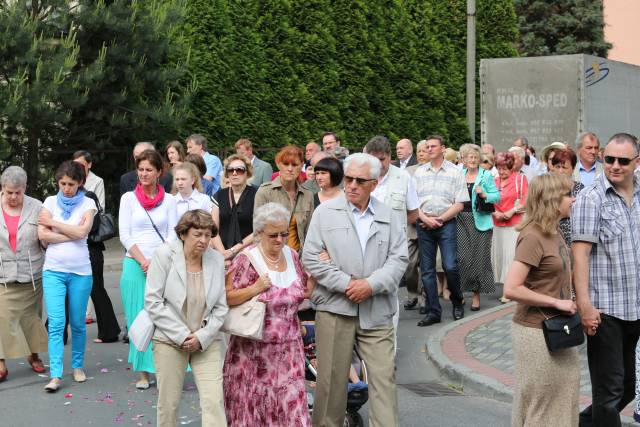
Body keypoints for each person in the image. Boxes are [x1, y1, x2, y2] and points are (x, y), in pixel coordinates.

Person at [302, 153, 407, 426]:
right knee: (331, 386)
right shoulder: (324, 212)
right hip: (336, 308)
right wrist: (347, 284)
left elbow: (399, 260)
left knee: (384, 381)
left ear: (374, 183)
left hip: (377, 309)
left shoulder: (388, 215)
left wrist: (370, 285)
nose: (352, 185)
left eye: (360, 180)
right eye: (349, 179)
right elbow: (311, 257)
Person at [573, 133, 640, 426]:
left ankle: (584, 423)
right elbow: (580, 256)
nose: (614, 165)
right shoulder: (591, 198)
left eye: (622, 161)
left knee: (627, 386)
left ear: (636, 162)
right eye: (608, 158)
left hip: (636, 305)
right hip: (606, 310)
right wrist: (585, 306)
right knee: (609, 389)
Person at [223, 203, 311, 426]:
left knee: (293, 411)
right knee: (255, 412)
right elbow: (226, 298)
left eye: (283, 233)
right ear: (259, 233)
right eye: (273, 235)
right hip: (253, 354)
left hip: (290, 350)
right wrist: (255, 289)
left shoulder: (291, 255)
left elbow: (299, 295)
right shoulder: (246, 259)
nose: (280, 240)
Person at [503, 173, 579, 427]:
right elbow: (512, 288)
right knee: (542, 402)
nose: (573, 200)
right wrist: (556, 303)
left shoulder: (554, 231)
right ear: (551, 200)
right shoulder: (533, 236)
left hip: (558, 330)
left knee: (563, 395)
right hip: (535, 332)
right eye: (568, 195)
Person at [145, 210, 228, 426]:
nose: (203, 240)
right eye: (197, 234)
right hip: (169, 339)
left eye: (208, 235)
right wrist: (182, 335)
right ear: (183, 234)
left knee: (214, 401)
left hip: (206, 339)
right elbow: (153, 301)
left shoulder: (216, 260)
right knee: (169, 403)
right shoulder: (164, 255)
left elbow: (221, 307)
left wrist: (201, 336)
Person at [119, 149, 178, 390]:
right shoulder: (128, 199)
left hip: (162, 264)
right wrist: (143, 260)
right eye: (140, 169)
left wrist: (156, 260)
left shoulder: (171, 201)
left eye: (149, 170)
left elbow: (173, 233)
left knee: (165, 318)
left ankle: (166, 368)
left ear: (159, 172)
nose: (144, 174)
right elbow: (125, 234)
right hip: (134, 264)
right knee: (137, 318)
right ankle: (143, 372)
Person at [38, 161, 97, 392]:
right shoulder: (50, 201)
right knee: (56, 324)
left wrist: (54, 224)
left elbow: (84, 232)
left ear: (80, 182)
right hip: (53, 270)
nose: (66, 188)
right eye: (62, 183)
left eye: (71, 184)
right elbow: (42, 236)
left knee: (78, 323)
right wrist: (73, 234)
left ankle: (78, 366)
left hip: (81, 271)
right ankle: (55, 374)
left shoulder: (88, 202)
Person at [412, 135, 468, 326]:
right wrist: (426, 219)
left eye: (433, 146)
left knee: (450, 265)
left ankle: (457, 299)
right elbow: (412, 203)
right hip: (424, 224)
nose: (429, 149)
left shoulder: (455, 172)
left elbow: (460, 203)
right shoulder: (419, 173)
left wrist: (440, 219)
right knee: (427, 270)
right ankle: (433, 311)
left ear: (443, 148)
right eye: (427, 147)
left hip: (447, 224)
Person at [0, 166, 48, 382]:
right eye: (9, 192)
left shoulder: (37, 207)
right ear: (3, 188)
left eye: (18, 192)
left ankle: (33, 354)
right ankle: (0, 361)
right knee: (2, 318)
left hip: (31, 274)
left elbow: (45, 238)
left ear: (25, 188)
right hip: (3, 275)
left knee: (31, 319)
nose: (13, 197)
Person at [73, 152, 121, 343]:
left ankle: (109, 331)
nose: (67, 187)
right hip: (78, 249)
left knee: (96, 289)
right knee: (69, 291)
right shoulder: (62, 199)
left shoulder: (88, 196)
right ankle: (56, 332)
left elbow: (90, 225)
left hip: (90, 248)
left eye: (71, 182)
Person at [458, 144, 500, 311]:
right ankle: (460, 293)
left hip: (480, 221)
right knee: (462, 259)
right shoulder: (459, 174)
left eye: (475, 157)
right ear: (464, 160)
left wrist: (485, 194)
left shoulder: (486, 175)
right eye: (470, 157)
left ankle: (476, 295)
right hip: (460, 220)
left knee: (478, 260)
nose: (473, 160)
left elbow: (497, 196)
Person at [254, 145, 314, 253]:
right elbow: (257, 232)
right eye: (286, 164)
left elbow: (309, 233)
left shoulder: (308, 195)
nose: (290, 169)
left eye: (294, 165)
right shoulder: (265, 192)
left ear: (301, 166)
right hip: (272, 256)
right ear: (278, 165)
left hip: (300, 259)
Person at [492, 152, 528, 303]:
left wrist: (511, 211)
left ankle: (510, 290)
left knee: (512, 257)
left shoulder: (520, 179)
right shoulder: (493, 181)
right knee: (500, 256)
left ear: (511, 167)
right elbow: (487, 200)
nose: (501, 172)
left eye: (504, 169)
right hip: (497, 224)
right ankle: (509, 287)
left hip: (515, 224)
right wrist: (495, 213)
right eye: (499, 168)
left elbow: (527, 199)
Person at [213, 154, 257, 258]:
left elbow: (258, 230)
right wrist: (223, 254)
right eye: (230, 170)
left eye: (239, 170)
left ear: (247, 173)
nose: (234, 173)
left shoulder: (256, 194)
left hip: (249, 253)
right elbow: (213, 230)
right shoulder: (219, 195)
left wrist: (233, 250)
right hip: (221, 253)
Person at [549, 148, 584, 245]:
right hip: (551, 239)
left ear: (573, 169)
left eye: (564, 167)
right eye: (557, 166)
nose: (560, 171)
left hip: (574, 241)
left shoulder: (581, 190)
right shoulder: (547, 189)